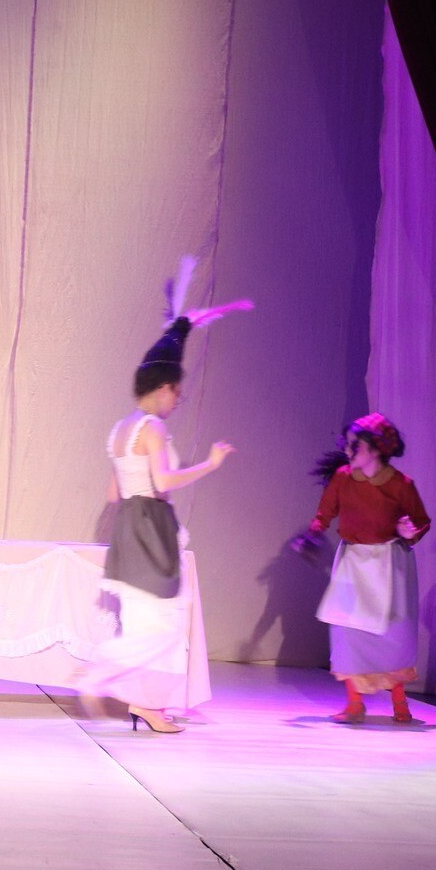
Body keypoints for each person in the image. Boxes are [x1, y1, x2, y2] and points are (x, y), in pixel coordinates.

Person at [83, 258, 247, 733]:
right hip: (151, 525)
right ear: (162, 388)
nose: (178, 401)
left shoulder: (120, 429)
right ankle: (101, 672)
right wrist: (210, 464)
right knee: (167, 622)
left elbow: (115, 491)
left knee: (146, 620)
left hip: (131, 525)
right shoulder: (152, 427)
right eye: (177, 393)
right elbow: (165, 482)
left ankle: (146, 704)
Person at [307, 413, 431, 724]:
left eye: (355, 445)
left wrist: (409, 532)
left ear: (375, 449)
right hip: (353, 561)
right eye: (347, 444)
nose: (347, 450)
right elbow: (325, 513)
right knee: (348, 632)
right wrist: (313, 534)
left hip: (390, 564)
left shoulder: (402, 485)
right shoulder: (343, 478)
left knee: (393, 634)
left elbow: (421, 521)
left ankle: (399, 701)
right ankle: (354, 704)